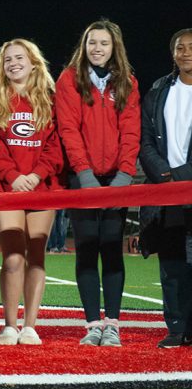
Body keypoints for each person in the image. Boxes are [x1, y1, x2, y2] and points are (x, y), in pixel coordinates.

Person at [56, 20, 140, 347]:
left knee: (112, 248)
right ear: (84, 45)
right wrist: (84, 173)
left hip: (116, 177)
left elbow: (131, 132)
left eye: (104, 43)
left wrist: (124, 175)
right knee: (88, 248)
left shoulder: (128, 83)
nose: (97, 49)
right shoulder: (69, 80)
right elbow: (68, 129)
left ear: (113, 47)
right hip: (83, 178)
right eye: (92, 42)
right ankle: (93, 324)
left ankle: (113, 324)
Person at [0, 38, 63, 346]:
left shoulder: (51, 98)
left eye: (19, 57)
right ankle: (9, 325)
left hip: (43, 186)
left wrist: (37, 174)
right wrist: (14, 176)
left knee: (36, 254)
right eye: (7, 59)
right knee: (13, 255)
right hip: (6, 187)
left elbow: (57, 143)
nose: (13, 63)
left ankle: (30, 326)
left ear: (34, 62)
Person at [139, 27, 192, 349]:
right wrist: (164, 174)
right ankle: (175, 328)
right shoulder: (158, 90)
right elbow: (145, 140)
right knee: (171, 265)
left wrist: (182, 174)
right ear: (173, 54)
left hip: (185, 186)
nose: (187, 52)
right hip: (166, 192)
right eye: (180, 47)